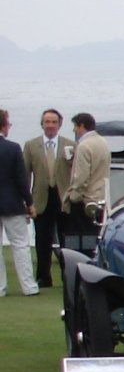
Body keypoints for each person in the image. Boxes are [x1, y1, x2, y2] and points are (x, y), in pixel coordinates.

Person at [24, 107, 71, 289]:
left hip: (62, 198)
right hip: (41, 198)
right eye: (47, 122)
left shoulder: (70, 145)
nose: (50, 125)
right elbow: (25, 174)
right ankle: (43, 277)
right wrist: (26, 201)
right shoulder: (31, 145)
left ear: (59, 124)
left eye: (54, 122)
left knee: (66, 240)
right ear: (42, 124)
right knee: (42, 240)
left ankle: (67, 277)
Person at [0, 109, 33, 296]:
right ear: (4, 126)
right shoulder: (12, 148)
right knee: (20, 245)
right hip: (12, 203)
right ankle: (28, 287)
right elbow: (21, 178)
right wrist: (29, 202)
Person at [63, 112, 108, 247]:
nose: (74, 130)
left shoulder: (84, 146)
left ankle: (77, 262)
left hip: (84, 200)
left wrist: (73, 196)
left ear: (81, 126)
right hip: (99, 196)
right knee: (92, 235)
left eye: (75, 127)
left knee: (75, 236)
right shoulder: (103, 142)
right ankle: (92, 259)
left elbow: (81, 177)